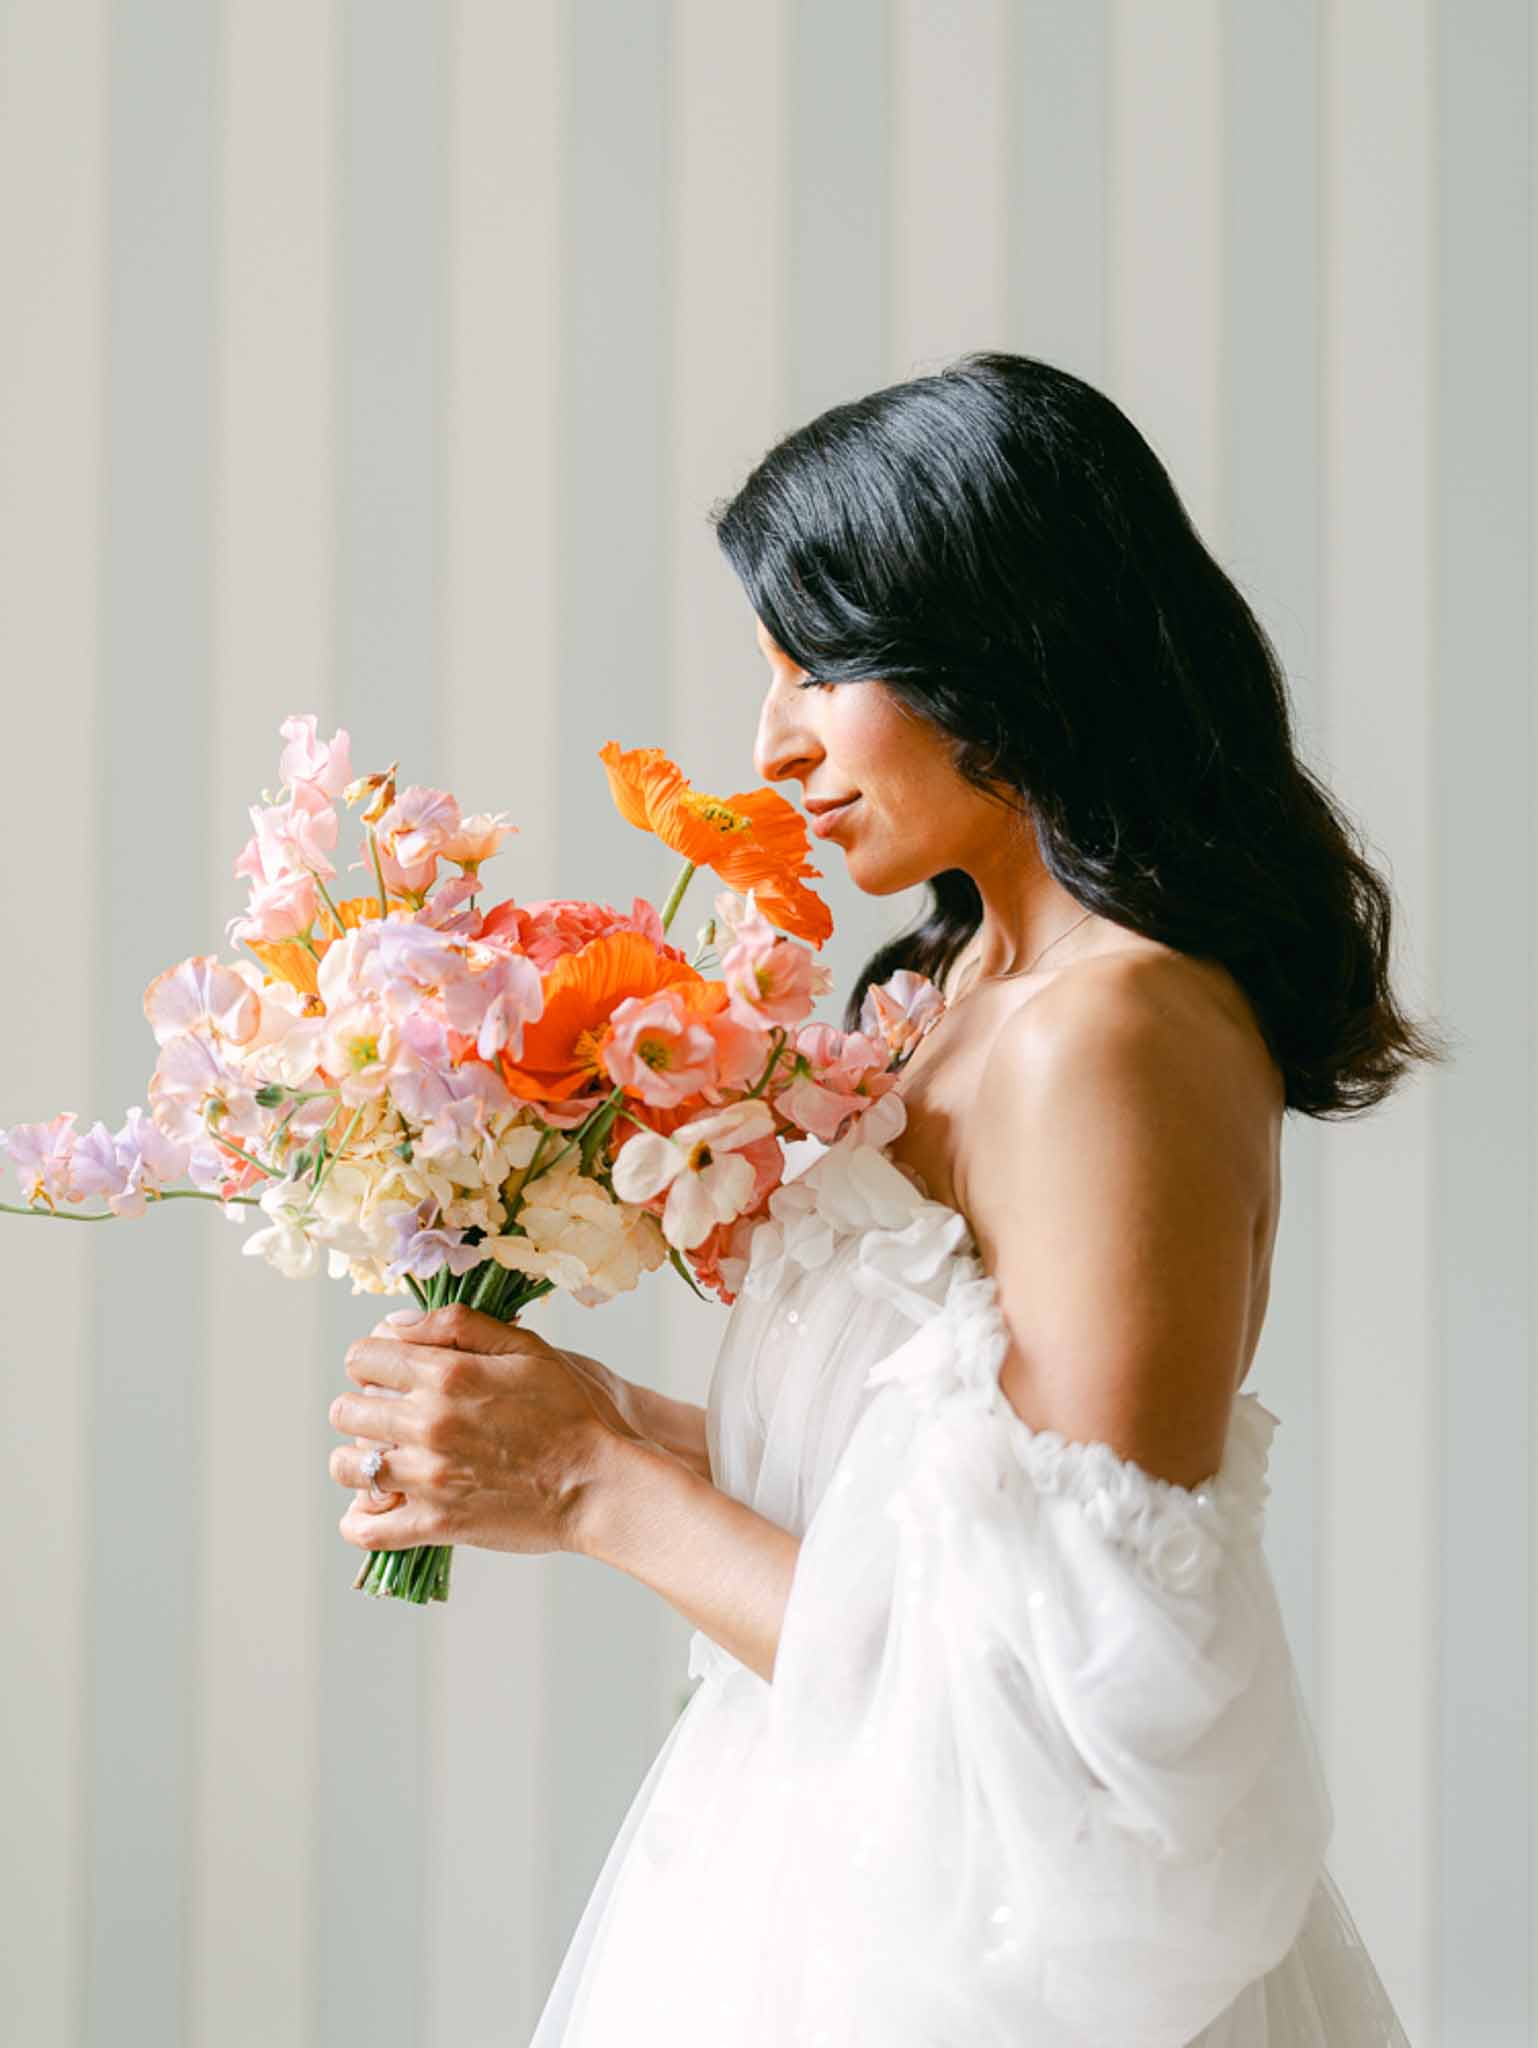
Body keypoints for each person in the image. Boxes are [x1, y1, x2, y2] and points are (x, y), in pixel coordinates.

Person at [328, 352, 1445, 2043]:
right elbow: (929, 1510)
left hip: (979, 1954)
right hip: (802, 1861)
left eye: (813, 670)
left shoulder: (1111, 1033)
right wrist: (579, 1420)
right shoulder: (941, 997)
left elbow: (1069, 1712)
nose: (769, 748)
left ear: (999, 648)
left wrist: (589, 1484)